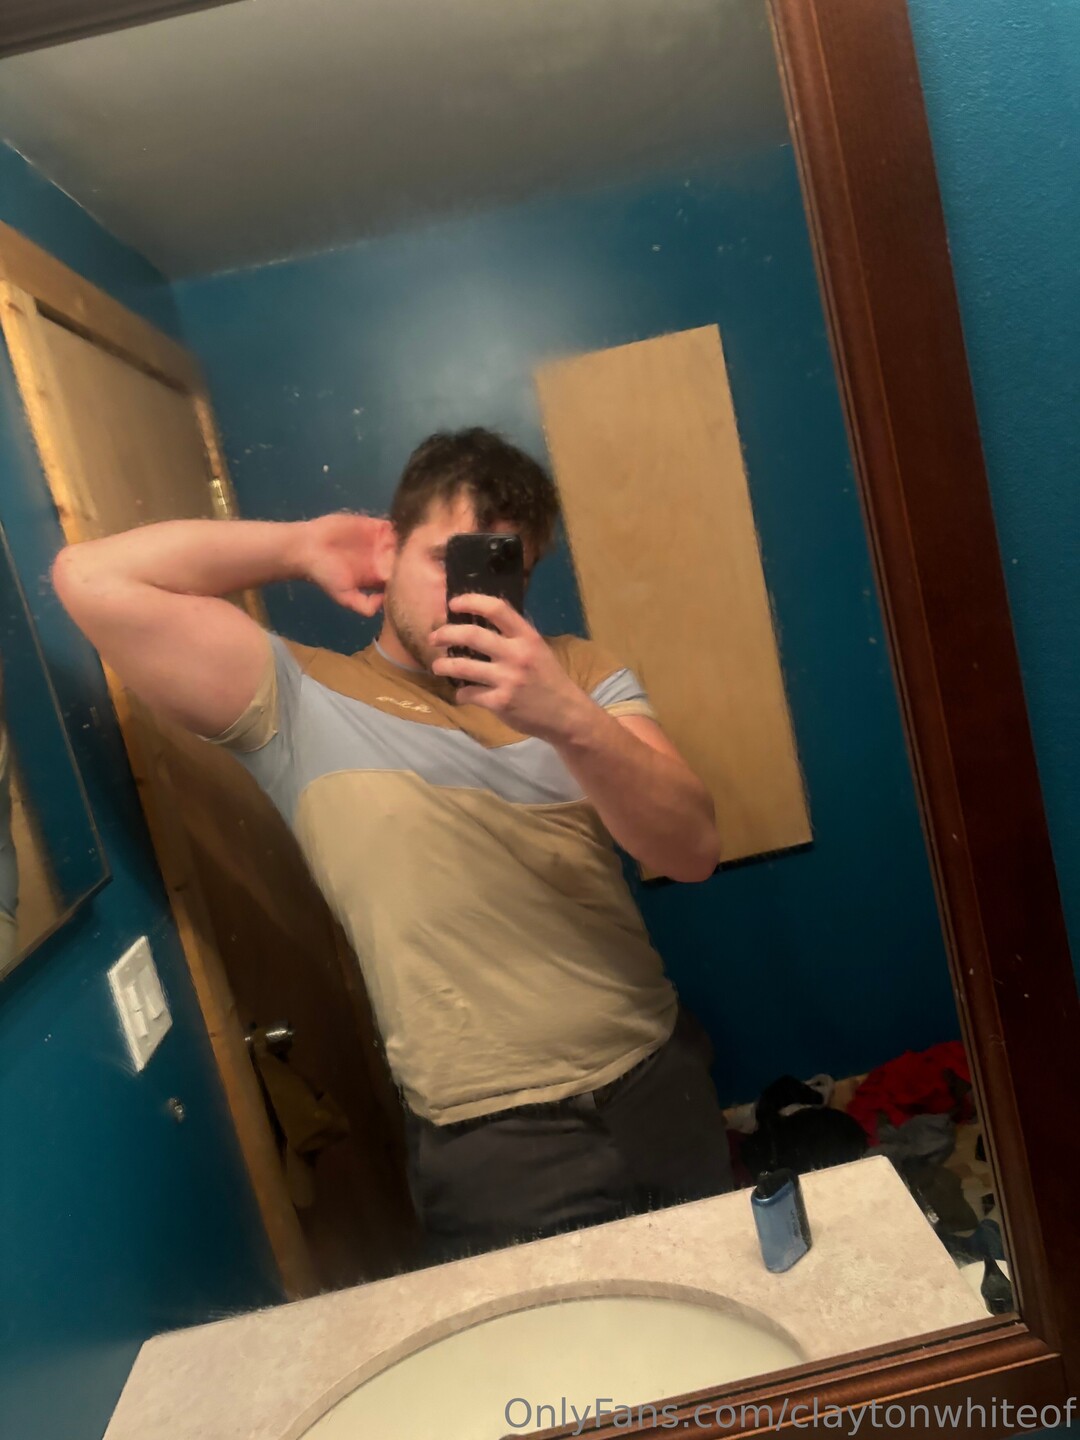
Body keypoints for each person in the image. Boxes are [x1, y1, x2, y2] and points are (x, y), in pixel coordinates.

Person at [53, 427, 733, 1259]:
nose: (467, 593)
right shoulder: (298, 701)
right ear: (390, 547)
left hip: (658, 1075)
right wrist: (299, 547)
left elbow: (693, 850)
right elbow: (89, 579)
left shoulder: (577, 675)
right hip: (495, 1142)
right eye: (445, 557)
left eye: (502, 566)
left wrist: (566, 719)